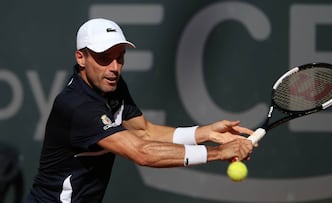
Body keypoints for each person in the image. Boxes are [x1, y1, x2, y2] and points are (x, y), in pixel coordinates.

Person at [25, 18, 255, 203]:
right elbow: (142, 152)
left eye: (120, 58)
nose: (114, 68)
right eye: (104, 59)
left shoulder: (112, 86)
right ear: (81, 58)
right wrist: (216, 153)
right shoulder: (76, 105)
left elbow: (144, 131)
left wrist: (203, 133)